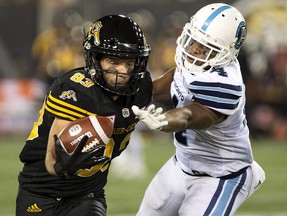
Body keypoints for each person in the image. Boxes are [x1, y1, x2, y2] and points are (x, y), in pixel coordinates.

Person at [132, 3, 266, 216]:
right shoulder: (197, 63)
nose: (193, 50)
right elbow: (176, 79)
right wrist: (135, 93)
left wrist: (164, 120)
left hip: (222, 174)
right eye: (193, 40)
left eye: (204, 48)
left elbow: (191, 115)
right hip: (183, 163)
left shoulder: (225, 84)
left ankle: (247, 176)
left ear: (224, 53)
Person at [16, 14, 152, 216]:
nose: (123, 70)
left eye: (129, 62)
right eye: (114, 61)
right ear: (95, 59)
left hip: (87, 194)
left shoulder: (140, 88)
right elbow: (52, 162)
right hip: (41, 191)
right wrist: (69, 159)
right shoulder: (76, 90)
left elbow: (168, 85)